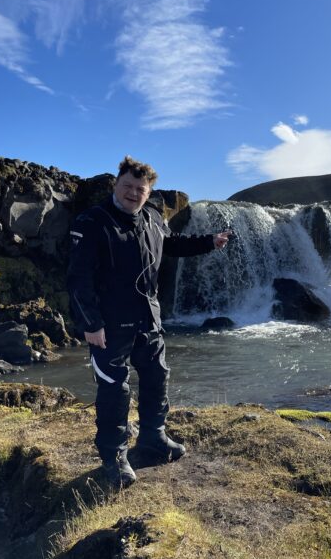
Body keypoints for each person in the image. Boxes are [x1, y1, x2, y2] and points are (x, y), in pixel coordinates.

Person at [67, 156, 231, 487]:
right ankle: (114, 457)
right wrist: (90, 323)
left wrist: (209, 242)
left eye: (140, 189)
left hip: (149, 319)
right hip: (109, 326)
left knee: (157, 377)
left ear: (149, 191)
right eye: (127, 186)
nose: (133, 193)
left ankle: (153, 438)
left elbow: (171, 245)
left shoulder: (153, 218)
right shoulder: (93, 222)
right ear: (116, 184)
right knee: (114, 389)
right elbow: (78, 278)